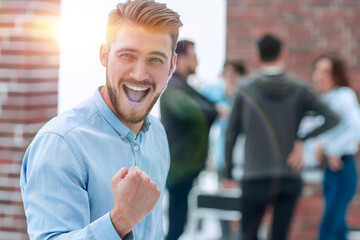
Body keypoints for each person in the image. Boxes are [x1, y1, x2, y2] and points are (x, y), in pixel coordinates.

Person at [20, 1, 182, 240]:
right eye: (127, 55)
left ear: (172, 66)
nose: (139, 74)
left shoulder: (157, 134)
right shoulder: (61, 144)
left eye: (156, 59)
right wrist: (119, 222)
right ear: (104, 55)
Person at [224, 34, 340, 240]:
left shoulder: (245, 89)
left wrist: (228, 173)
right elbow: (332, 118)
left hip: (254, 177)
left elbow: (231, 133)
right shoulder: (300, 88)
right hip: (289, 176)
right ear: (283, 55)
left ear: (257, 57)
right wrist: (302, 137)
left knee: (247, 235)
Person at [160, 40, 218, 240]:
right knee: (176, 227)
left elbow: (208, 105)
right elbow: (202, 112)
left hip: (184, 167)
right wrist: (217, 111)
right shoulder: (174, 88)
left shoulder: (185, 86)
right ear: (181, 59)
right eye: (194, 58)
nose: (197, 63)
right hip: (178, 168)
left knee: (179, 226)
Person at [312, 53, 360, 240]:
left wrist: (334, 150)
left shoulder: (344, 95)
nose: (318, 76)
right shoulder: (325, 98)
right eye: (317, 70)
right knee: (338, 227)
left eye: (325, 71)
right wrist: (322, 144)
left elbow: (357, 127)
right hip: (330, 170)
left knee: (328, 227)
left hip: (342, 167)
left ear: (336, 75)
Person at [202, 60, 247, 239]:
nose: (230, 78)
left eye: (234, 74)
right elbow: (199, 99)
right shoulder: (215, 94)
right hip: (223, 160)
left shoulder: (246, 97)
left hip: (244, 161)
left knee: (245, 206)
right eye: (226, 73)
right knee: (223, 208)